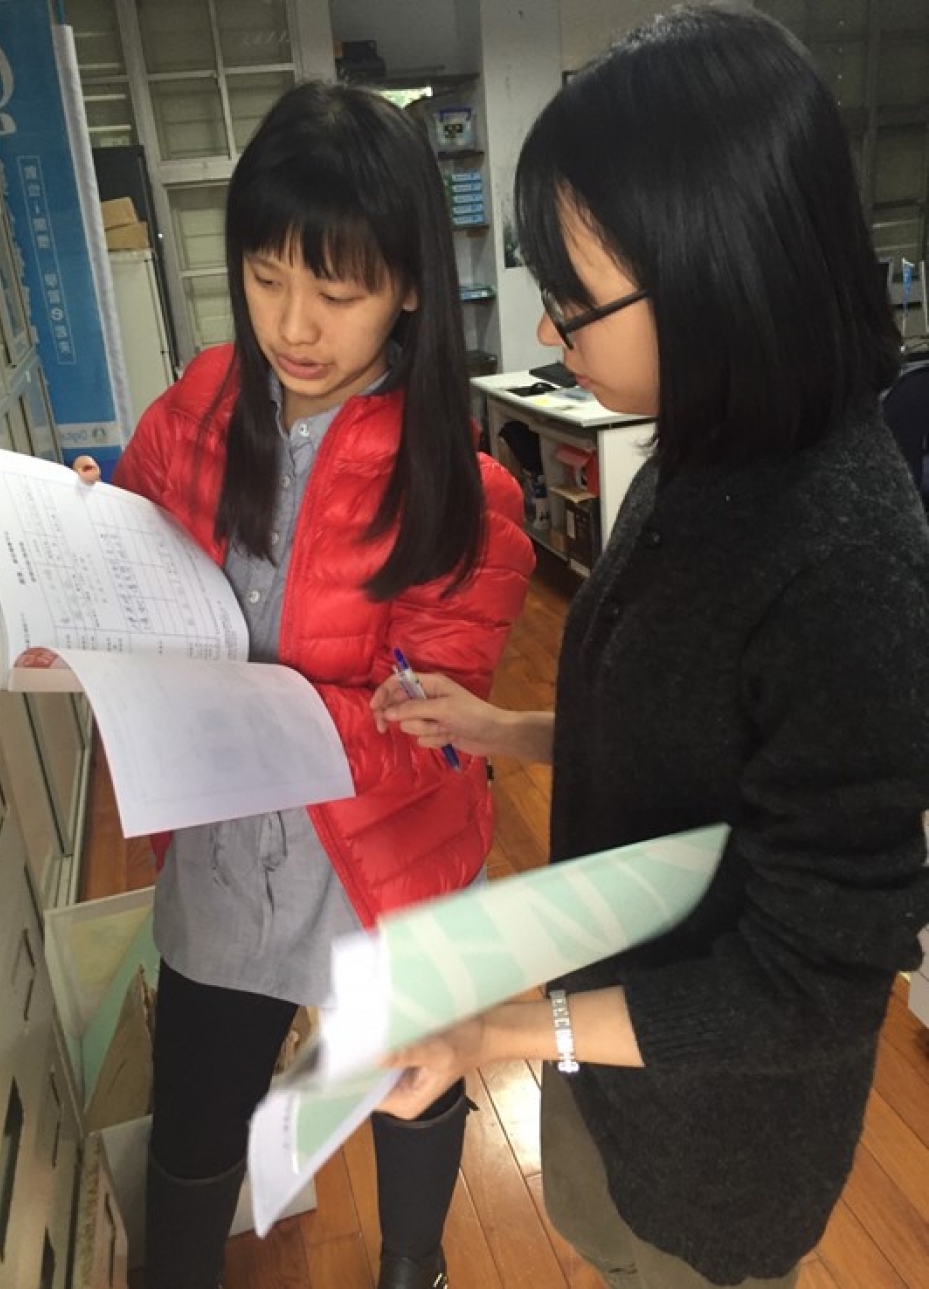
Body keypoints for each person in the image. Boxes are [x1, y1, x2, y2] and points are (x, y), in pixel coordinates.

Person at [371, 8, 929, 1289]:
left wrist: (502, 1027)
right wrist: (502, 728)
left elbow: (811, 982)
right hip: (607, 1047)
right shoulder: (700, 447)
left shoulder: (843, 559)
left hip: (715, 1126)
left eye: (574, 305)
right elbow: (687, 744)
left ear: (718, 269)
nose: (551, 335)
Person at [77, 81, 534, 1289]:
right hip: (230, 856)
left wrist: (249, 707)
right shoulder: (198, 406)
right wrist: (82, 540)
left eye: (336, 292)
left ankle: (413, 1266)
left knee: (409, 1085)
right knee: (194, 1118)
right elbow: (139, 542)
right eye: (265, 275)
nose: (293, 323)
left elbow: (432, 728)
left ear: (410, 287)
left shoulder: (461, 489)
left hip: (387, 862)